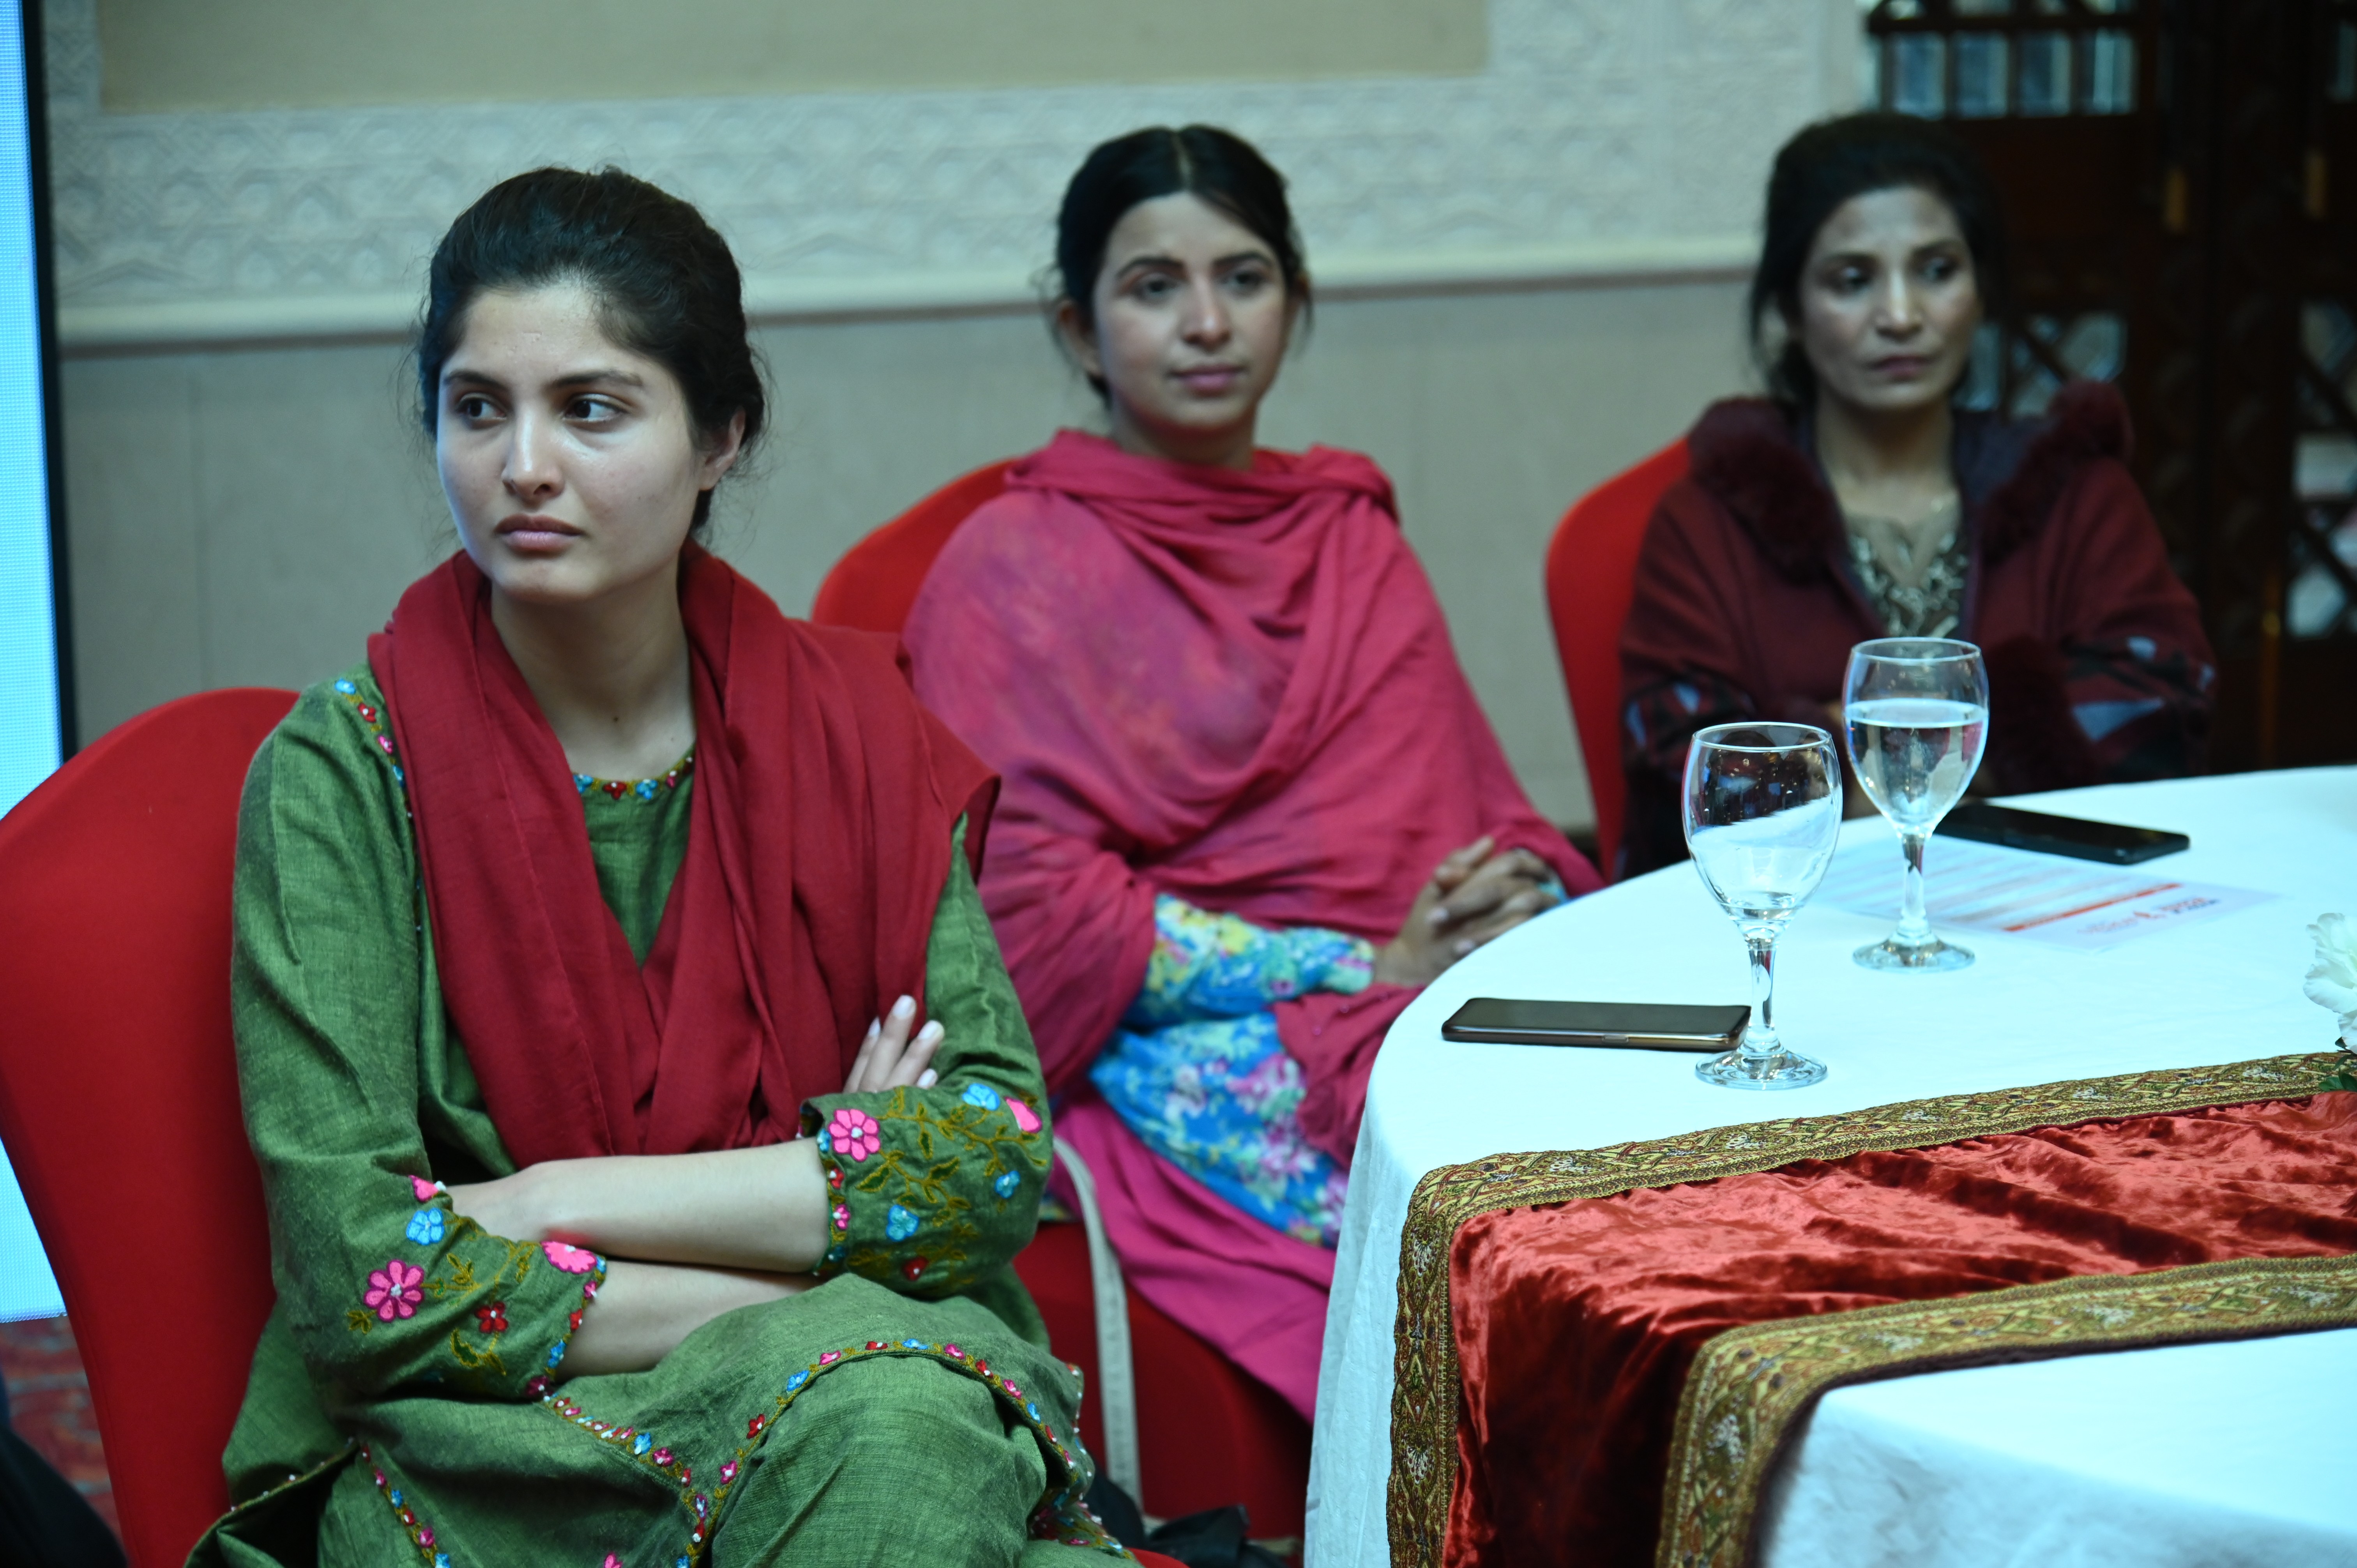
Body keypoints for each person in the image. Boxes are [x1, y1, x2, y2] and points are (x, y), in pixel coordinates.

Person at [198, 168, 1127, 1566]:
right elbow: (362, 1276)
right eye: (474, 407)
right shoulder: (344, 776)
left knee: (898, 1446)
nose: (521, 465)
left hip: (850, 1392)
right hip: (492, 1445)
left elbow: (992, 1163)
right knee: (901, 1431)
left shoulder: (851, 732)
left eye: (589, 408)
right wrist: (828, 1228)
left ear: (720, 436)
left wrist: (541, 1201)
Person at [901, 126, 1601, 1419]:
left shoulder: (1344, 531)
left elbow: (1473, 801)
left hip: (1412, 977)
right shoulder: (1006, 571)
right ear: (1075, 324)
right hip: (1172, 1031)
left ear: (1295, 302)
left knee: (1612, 1123)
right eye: (1151, 286)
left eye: (1243, 277)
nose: (1205, 323)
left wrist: (1494, 897)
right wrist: (1355, 968)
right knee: (1461, 1223)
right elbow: (1029, 921)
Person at [1617, 113, 2215, 876]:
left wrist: (1861, 752)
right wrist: (1974, 744)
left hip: (2049, 903)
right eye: (1853, 280)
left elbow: (2161, 705)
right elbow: (1681, 763)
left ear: (1982, 288)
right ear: (1792, 309)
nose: (1901, 317)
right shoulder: (1712, 518)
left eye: (1937, 270)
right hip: (1803, 924)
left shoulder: (2071, 489)